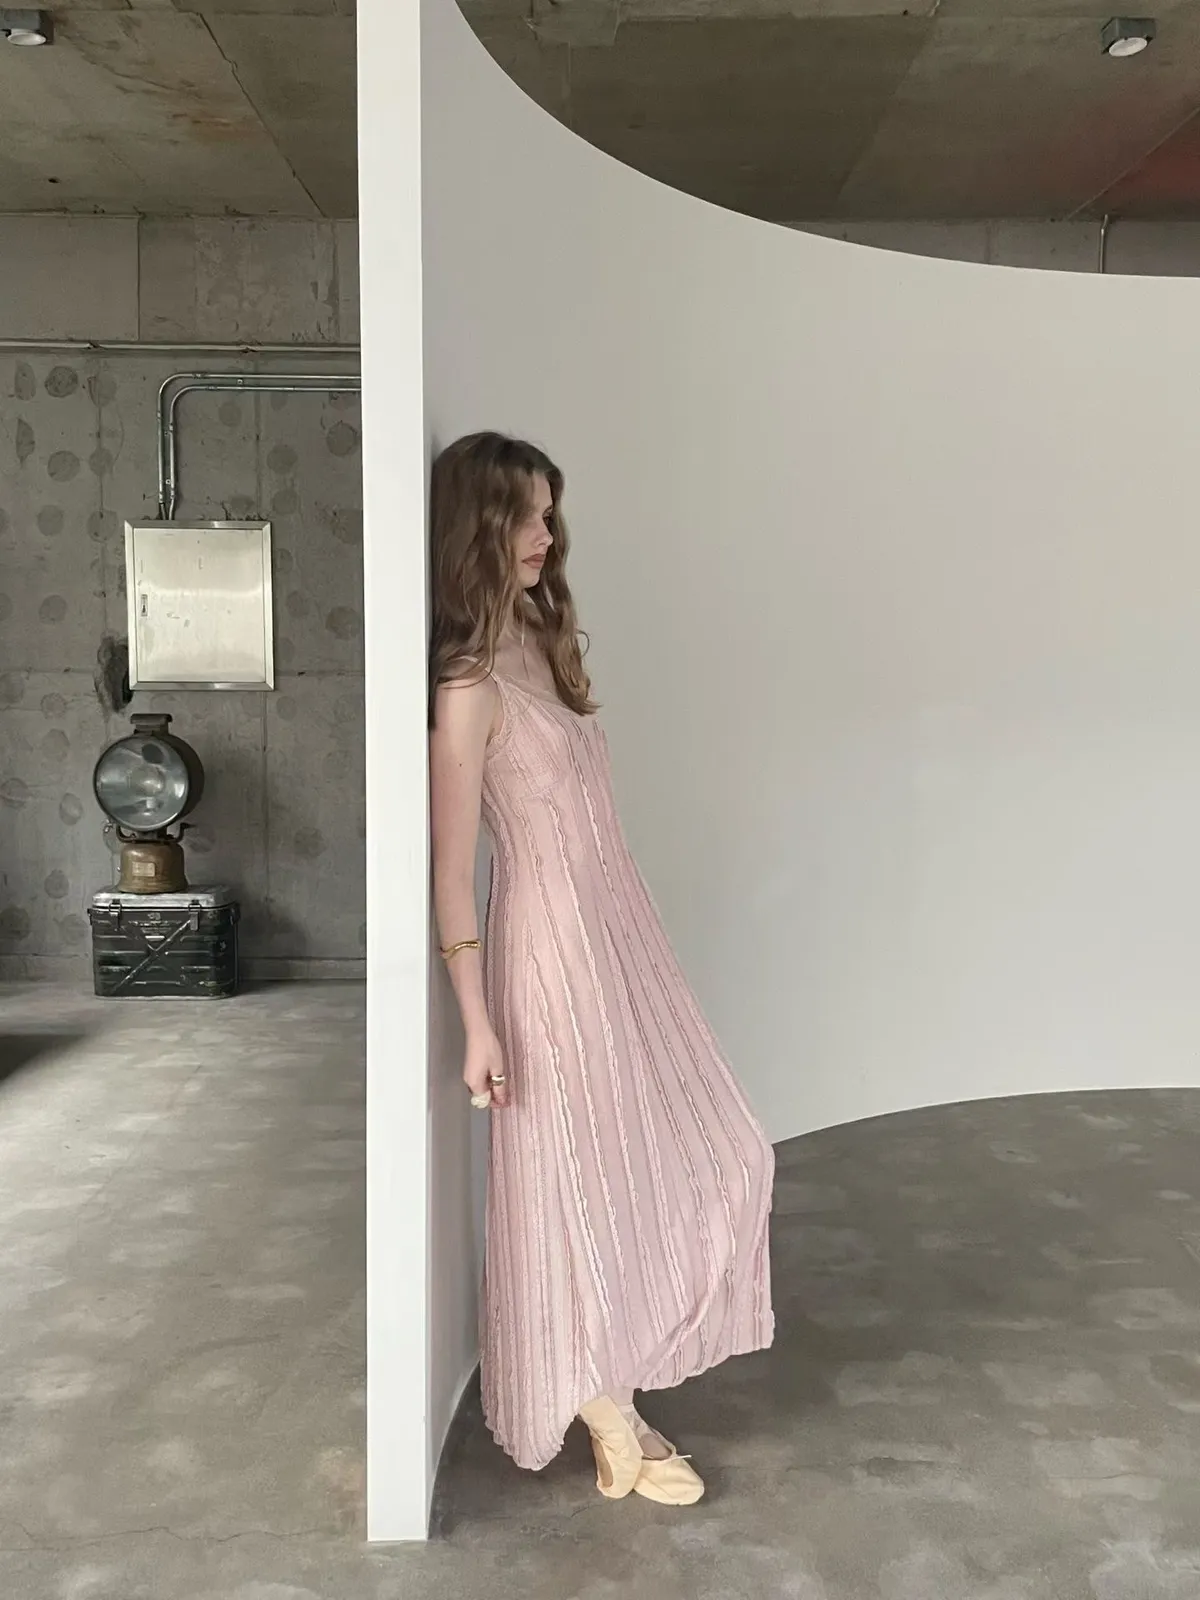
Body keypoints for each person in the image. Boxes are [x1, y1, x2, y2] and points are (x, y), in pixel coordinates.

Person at [428, 431, 774, 1505]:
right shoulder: (467, 686)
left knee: (716, 1152)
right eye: (527, 515)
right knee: (574, 1167)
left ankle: (610, 1386)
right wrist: (477, 1022)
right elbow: (451, 871)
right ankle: (608, 1406)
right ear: (480, 525)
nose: (547, 534)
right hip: (546, 946)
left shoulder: (538, 636)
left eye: (549, 512)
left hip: (616, 931)